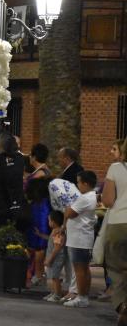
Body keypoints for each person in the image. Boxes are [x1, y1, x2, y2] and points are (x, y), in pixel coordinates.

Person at [63, 170, 98, 308]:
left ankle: (81, 297)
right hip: (82, 238)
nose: (77, 185)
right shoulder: (90, 196)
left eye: (79, 182)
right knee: (84, 269)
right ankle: (84, 296)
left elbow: (69, 213)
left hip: (79, 239)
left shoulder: (85, 198)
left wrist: (67, 208)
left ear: (86, 183)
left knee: (79, 270)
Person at [102, 138, 127, 325]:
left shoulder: (116, 169)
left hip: (119, 223)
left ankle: (122, 305)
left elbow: (108, 201)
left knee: (116, 268)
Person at [25, 177, 53, 286]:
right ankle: (37, 274)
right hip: (38, 230)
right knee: (38, 250)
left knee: (39, 250)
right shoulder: (41, 202)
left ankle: (38, 274)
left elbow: (42, 219)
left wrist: (42, 234)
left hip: (40, 231)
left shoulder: (42, 203)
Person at [40, 210, 66, 302]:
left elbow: (57, 247)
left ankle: (57, 294)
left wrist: (50, 259)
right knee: (51, 276)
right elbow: (51, 240)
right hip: (53, 258)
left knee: (55, 277)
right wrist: (40, 235)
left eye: (49, 220)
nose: (48, 222)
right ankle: (54, 292)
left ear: (54, 222)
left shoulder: (58, 232)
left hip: (56, 258)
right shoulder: (55, 231)